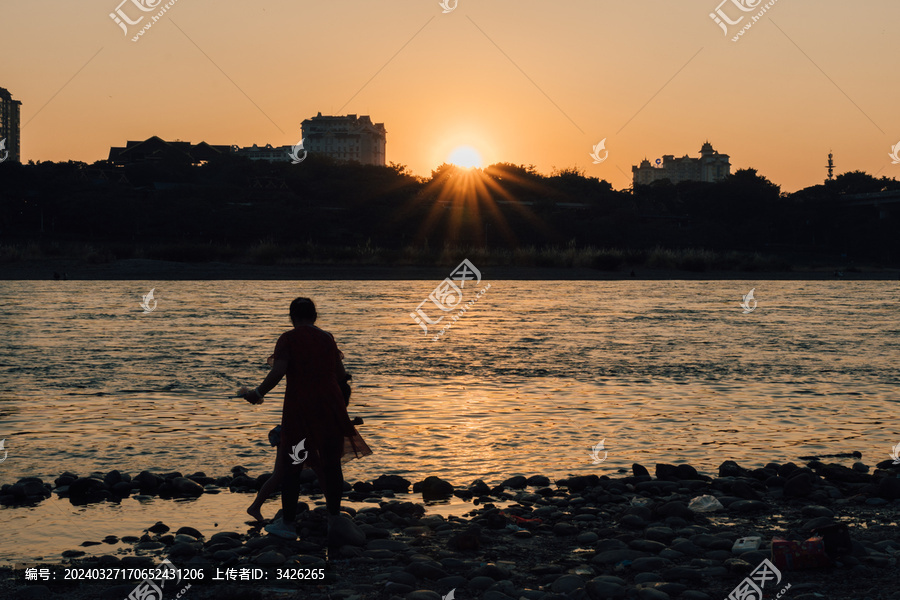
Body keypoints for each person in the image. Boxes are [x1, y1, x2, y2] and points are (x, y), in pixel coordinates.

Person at [239, 297, 371, 541]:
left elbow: (278, 370)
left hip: (300, 409)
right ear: (315, 316)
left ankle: (288, 524)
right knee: (332, 465)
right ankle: (334, 519)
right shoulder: (327, 338)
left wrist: (257, 394)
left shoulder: (288, 338)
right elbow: (341, 375)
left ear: (292, 317)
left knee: (292, 466)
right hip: (330, 407)